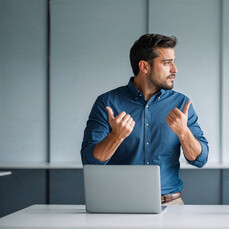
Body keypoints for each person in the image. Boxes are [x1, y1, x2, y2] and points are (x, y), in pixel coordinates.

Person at [81, 34, 209, 205]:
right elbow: (90, 161)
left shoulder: (181, 103)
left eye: (173, 61)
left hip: (171, 205)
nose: (174, 69)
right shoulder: (107, 103)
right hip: (119, 205)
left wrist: (183, 132)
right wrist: (116, 136)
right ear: (144, 67)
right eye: (166, 63)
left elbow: (200, 159)